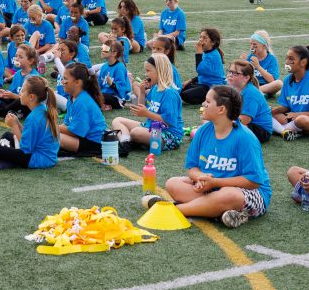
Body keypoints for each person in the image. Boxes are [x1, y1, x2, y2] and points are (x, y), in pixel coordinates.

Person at [157, 85, 270, 228]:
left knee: (229, 195)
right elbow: (193, 168)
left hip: (249, 193)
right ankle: (218, 211)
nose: (203, 104)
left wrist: (215, 182)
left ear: (221, 109)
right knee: (172, 183)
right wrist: (200, 178)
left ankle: (175, 209)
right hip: (212, 189)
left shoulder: (245, 138)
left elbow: (253, 181)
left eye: (208, 102)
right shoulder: (203, 131)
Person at [113, 54, 181, 152]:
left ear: (159, 70)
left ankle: (127, 138)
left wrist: (147, 113)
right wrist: (141, 92)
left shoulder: (169, 93)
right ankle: (125, 142)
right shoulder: (154, 88)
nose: (146, 74)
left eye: (148, 71)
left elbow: (169, 121)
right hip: (150, 127)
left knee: (136, 132)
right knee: (117, 120)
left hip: (169, 136)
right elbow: (142, 106)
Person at [0, 76, 60, 170]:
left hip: (37, 159)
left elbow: (25, 148)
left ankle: (10, 157)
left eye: (22, 91)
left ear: (31, 97)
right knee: (6, 135)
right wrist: (18, 124)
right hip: (46, 156)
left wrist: (14, 126)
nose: (20, 93)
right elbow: (31, 136)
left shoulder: (34, 118)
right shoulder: (42, 109)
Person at [272, 45, 309, 140]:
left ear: (303, 62)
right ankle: (285, 131)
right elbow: (287, 107)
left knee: (301, 120)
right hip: (293, 118)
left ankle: (281, 129)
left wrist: (298, 115)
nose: (286, 62)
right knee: (267, 112)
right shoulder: (287, 80)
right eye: (286, 58)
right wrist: (274, 110)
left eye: (291, 59)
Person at [57, 63, 107, 157]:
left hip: (94, 143)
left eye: (65, 79)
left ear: (77, 82)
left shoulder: (82, 102)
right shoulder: (72, 97)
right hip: (84, 137)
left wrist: (53, 127)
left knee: (54, 136)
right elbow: (67, 124)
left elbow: (76, 132)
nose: (62, 82)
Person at [226, 60, 273, 144]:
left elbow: (244, 120)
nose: (230, 75)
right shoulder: (234, 88)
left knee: (230, 127)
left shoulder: (250, 93)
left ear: (246, 78)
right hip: (246, 124)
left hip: (260, 130)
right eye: (229, 71)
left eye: (235, 73)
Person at [181, 28, 226, 105]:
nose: (201, 40)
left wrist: (199, 52)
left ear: (213, 42)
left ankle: (210, 99)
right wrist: (191, 80)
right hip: (203, 83)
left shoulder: (213, 55)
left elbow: (200, 70)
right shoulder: (207, 52)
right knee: (180, 88)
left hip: (212, 87)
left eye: (204, 38)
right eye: (200, 37)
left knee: (186, 95)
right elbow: (204, 74)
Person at [0, 44, 40, 118]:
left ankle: (4, 112)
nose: (16, 59)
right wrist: (5, 94)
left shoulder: (33, 77)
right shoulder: (17, 74)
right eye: (16, 56)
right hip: (16, 100)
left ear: (30, 61)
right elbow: (12, 91)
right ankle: (11, 111)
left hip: (27, 104)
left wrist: (12, 96)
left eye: (20, 57)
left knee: (20, 101)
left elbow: (30, 99)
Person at [96, 39, 133, 110]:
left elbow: (122, 89)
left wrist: (112, 84)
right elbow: (99, 86)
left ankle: (105, 105)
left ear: (114, 53)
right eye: (102, 48)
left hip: (117, 98)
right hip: (104, 94)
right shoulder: (104, 67)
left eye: (105, 49)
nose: (102, 50)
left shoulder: (120, 67)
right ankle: (103, 105)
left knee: (102, 97)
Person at [243, 30, 282, 96]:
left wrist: (258, 67)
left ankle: (255, 91)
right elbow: (245, 76)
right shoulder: (250, 57)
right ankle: (256, 92)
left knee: (279, 83)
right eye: (251, 44)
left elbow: (272, 80)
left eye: (255, 44)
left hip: (266, 86)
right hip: (252, 84)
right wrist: (242, 64)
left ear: (264, 46)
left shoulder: (271, 59)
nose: (252, 47)